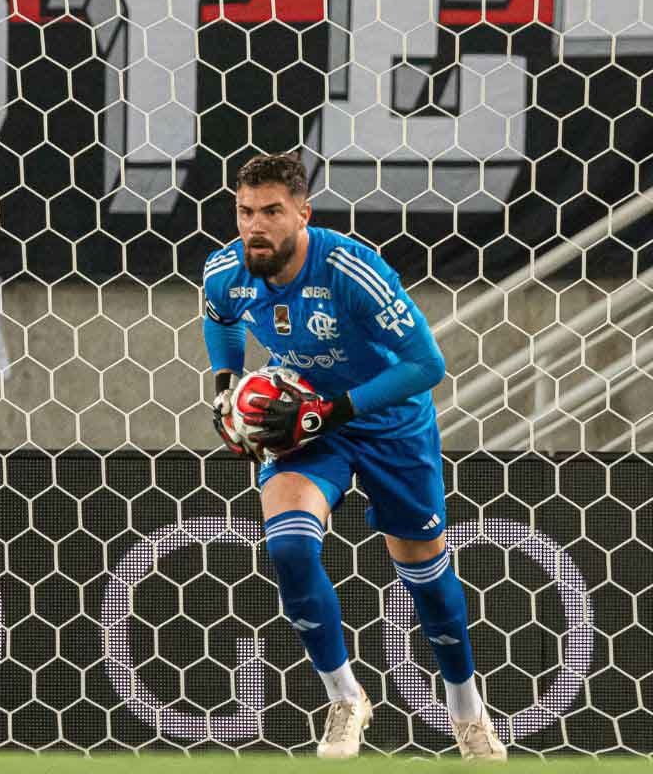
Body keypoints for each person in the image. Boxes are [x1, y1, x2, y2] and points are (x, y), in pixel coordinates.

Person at [203, 153, 506, 761]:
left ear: (302, 214)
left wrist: (330, 411)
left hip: (390, 423)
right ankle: (344, 699)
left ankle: (466, 709)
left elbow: (428, 367)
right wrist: (226, 385)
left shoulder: (350, 269)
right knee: (288, 547)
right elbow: (221, 319)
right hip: (305, 425)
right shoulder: (226, 270)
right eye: (244, 211)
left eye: (271, 212)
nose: (254, 225)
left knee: (425, 578)